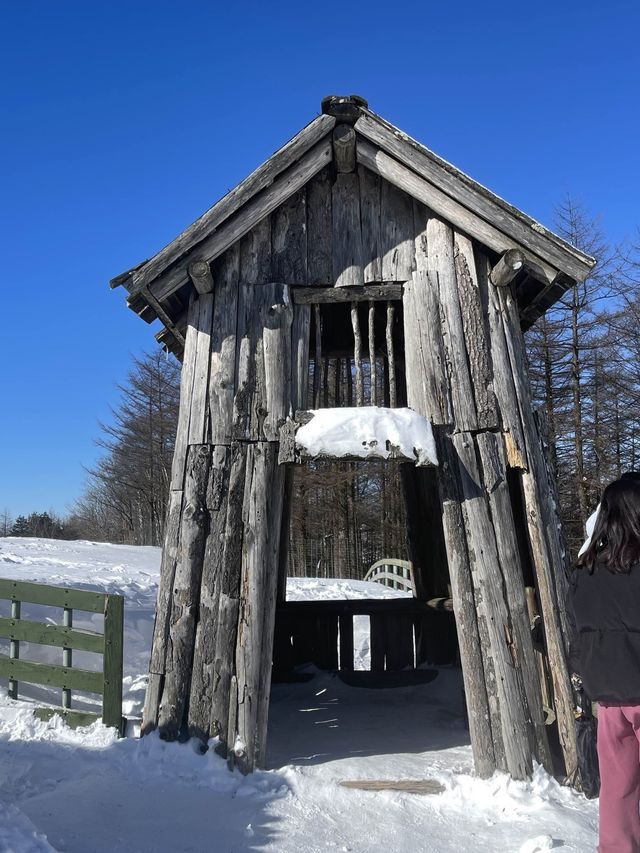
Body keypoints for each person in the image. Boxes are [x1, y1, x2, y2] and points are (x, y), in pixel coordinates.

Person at [568, 476, 640, 853]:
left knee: (618, 786)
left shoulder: (586, 572)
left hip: (609, 699)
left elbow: (580, 635)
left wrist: (583, 683)